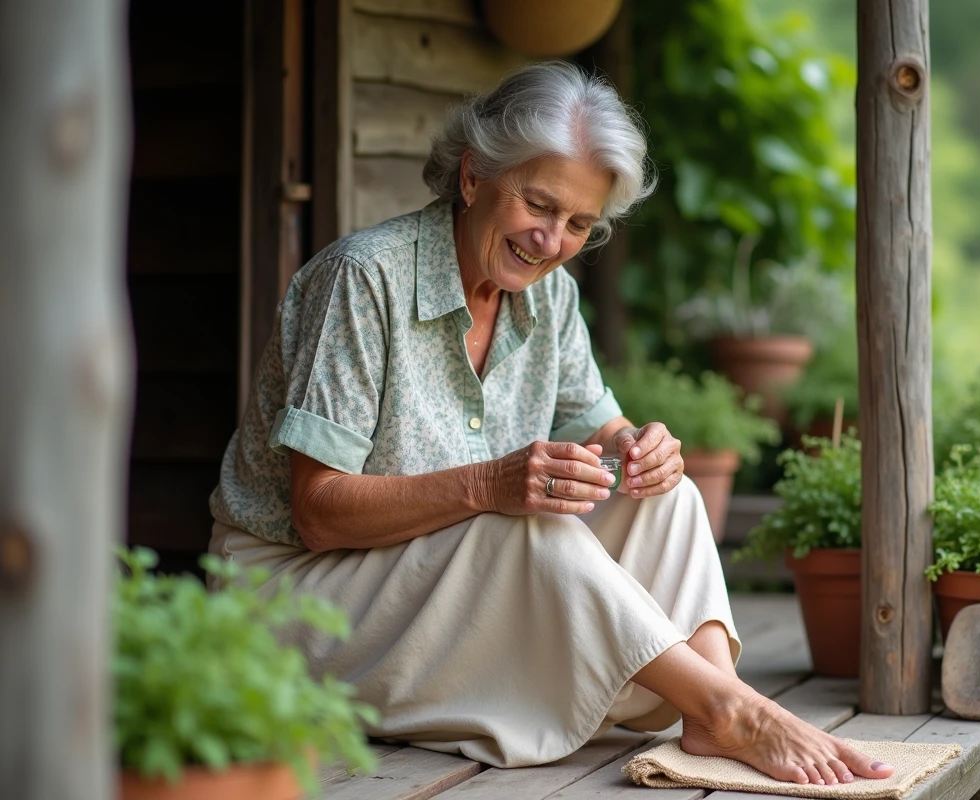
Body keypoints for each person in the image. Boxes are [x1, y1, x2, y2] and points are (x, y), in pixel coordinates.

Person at [208, 61, 894, 787]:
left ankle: (712, 705)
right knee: (526, 523)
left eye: (578, 224)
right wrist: (488, 485)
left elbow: (602, 428)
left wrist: (640, 449)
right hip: (300, 592)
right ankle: (735, 708)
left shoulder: (549, 298)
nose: (550, 240)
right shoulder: (363, 279)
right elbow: (317, 514)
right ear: (473, 177)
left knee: (670, 497)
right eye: (538, 205)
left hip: (436, 578)